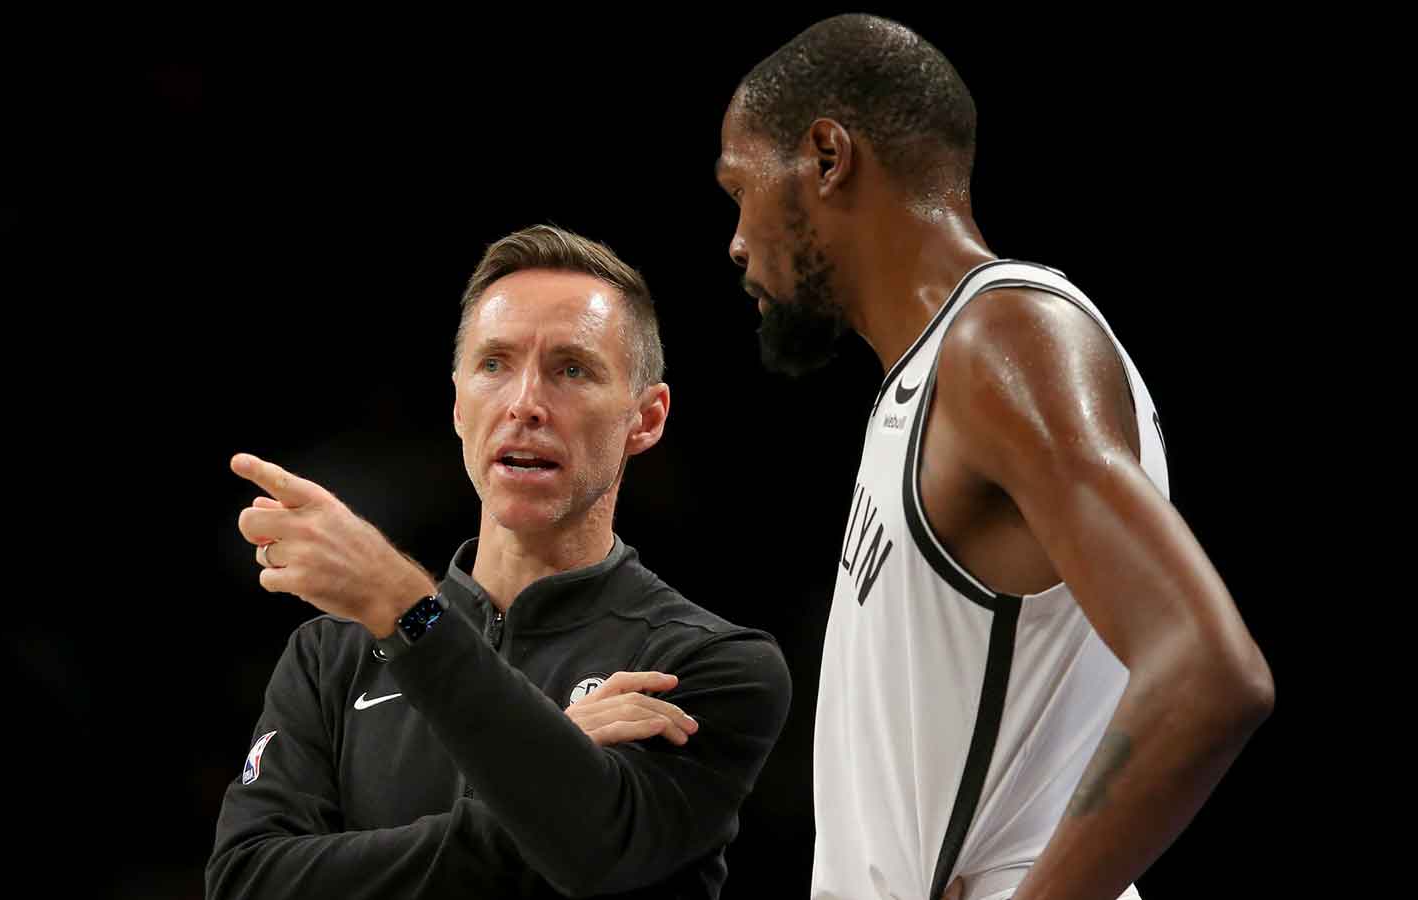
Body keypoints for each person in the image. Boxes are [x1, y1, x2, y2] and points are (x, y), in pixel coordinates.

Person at [713, 15, 1274, 900]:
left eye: (737, 188)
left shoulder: (1004, 340)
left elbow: (1208, 671)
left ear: (827, 156)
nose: (737, 242)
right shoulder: (935, 375)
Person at [206, 224, 792, 899]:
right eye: (495, 365)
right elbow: (248, 884)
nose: (524, 404)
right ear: (458, 404)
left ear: (647, 418)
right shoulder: (329, 656)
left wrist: (408, 608)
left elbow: (592, 852)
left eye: (571, 369)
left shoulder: (706, 665)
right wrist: (557, 758)